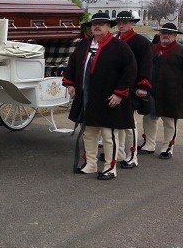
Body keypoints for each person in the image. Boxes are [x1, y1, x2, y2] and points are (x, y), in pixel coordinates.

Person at [62, 12, 137, 180]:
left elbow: (130, 70)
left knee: (109, 135)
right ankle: (91, 164)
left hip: (109, 98)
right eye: (94, 24)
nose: (97, 26)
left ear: (109, 26)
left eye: (101, 24)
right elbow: (72, 65)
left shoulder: (120, 47)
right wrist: (70, 83)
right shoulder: (84, 45)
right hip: (88, 98)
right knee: (90, 132)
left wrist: (119, 93)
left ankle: (110, 167)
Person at [138, 23, 183, 159]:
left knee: (169, 121)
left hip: (172, 92)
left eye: (169, 33)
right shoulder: (152, 49)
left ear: (175, 36)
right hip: (152, 90)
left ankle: (167, 147)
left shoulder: (180, 51)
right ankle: (149, 144)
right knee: (149, 118)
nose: (166, 35)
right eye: (164, 32)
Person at [114, 11, 152, 169]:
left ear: (131, 23)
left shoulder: (141, 42)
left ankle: (132, 156)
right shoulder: (114, 40)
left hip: (132, 87)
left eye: (125, 22)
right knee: (116, 123)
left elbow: (146, 64)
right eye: (119, 22)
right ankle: (119, 153)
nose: (122, 25)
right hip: (115, 87)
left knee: (129, 124)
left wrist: (143, 85)